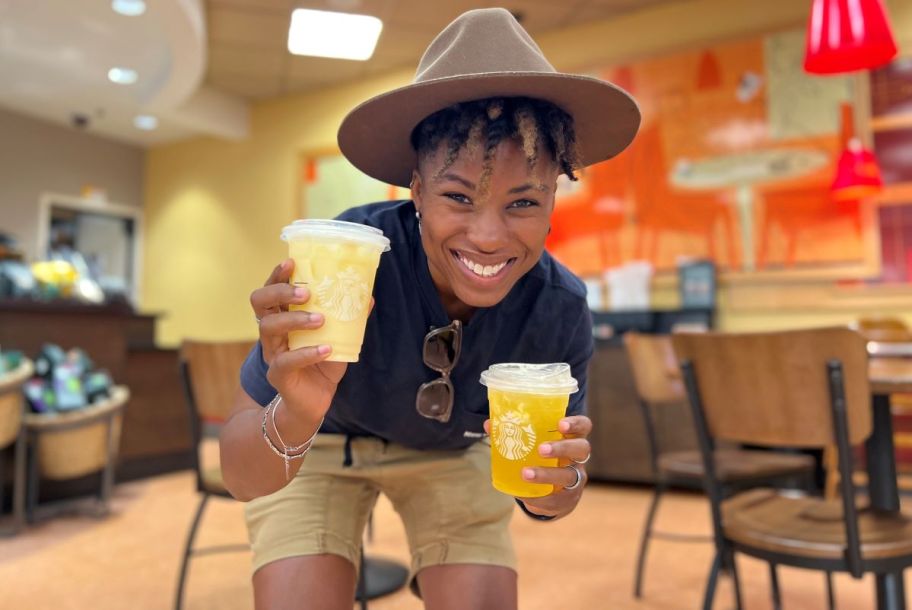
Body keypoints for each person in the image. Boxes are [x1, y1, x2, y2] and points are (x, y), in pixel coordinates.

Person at [219, 7, 639, 610]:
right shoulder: (349, 262)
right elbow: (241, 476)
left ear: (553, 201)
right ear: (415, 189)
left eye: (523, 202)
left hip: (451, 458)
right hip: (324, 442)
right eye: (457, 196)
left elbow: (551, 497)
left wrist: (558, 483)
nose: (489, 236)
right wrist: (296, 410)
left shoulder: (557, 309)